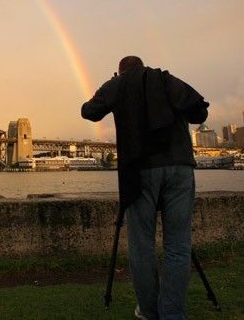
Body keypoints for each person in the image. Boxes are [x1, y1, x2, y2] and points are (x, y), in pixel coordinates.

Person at [81, 56, 209, 320]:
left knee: (142, 246)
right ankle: (173, 314)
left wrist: (114, 87)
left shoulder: (118, 85)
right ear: (142, 66)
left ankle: (149, 312)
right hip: (180, 168)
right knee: (178, 246)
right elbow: (200, 112)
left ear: (120, 71)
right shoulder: (166, 79)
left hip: (141, 172)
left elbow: (88, 111)